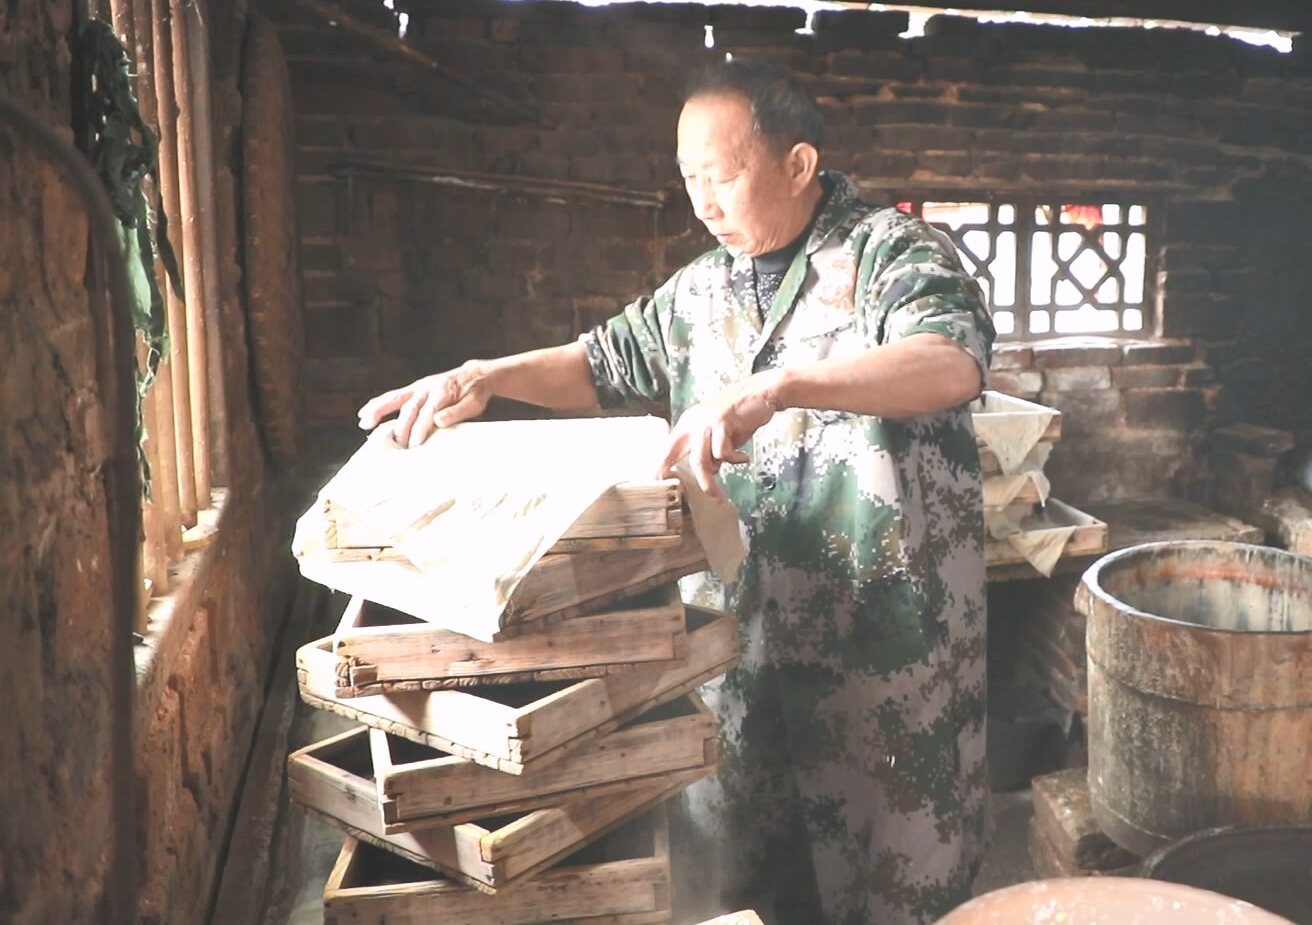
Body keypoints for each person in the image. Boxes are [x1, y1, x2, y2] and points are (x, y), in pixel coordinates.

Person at [356, 58, 994, 924]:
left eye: (721, 176)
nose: (703, 203)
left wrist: (777, 387)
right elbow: (597, 363)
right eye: (689, 179)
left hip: (880, 656)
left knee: (897, 888)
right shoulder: (702, 288)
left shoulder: (892, 252)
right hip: (744, 656)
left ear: (798, 165)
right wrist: (486, 375)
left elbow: (949, 363)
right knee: (746, 891)